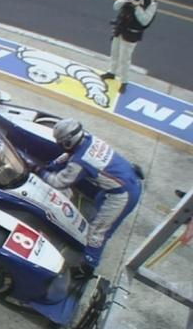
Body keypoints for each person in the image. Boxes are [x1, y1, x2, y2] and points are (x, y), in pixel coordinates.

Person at [40, 118, 143, 278]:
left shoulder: (79, 162)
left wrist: (41, 172)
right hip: (126, 180)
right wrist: (52, 165)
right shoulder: (88, 139)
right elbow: (69, 155)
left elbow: (60, 182)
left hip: (122, 195)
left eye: (61, 142)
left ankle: (87, 267)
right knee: (99, 204)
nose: (58, 144)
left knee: (97, 233)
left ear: (68, 141)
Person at [100, 0, 157, 94]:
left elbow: (144, 21)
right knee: (114, 53)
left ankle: (124, 81)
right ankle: (111, 72)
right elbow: (116, 6)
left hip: (131, 34)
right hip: (120, 29)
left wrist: (136, 7)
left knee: (124, 59)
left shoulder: (151, 4)